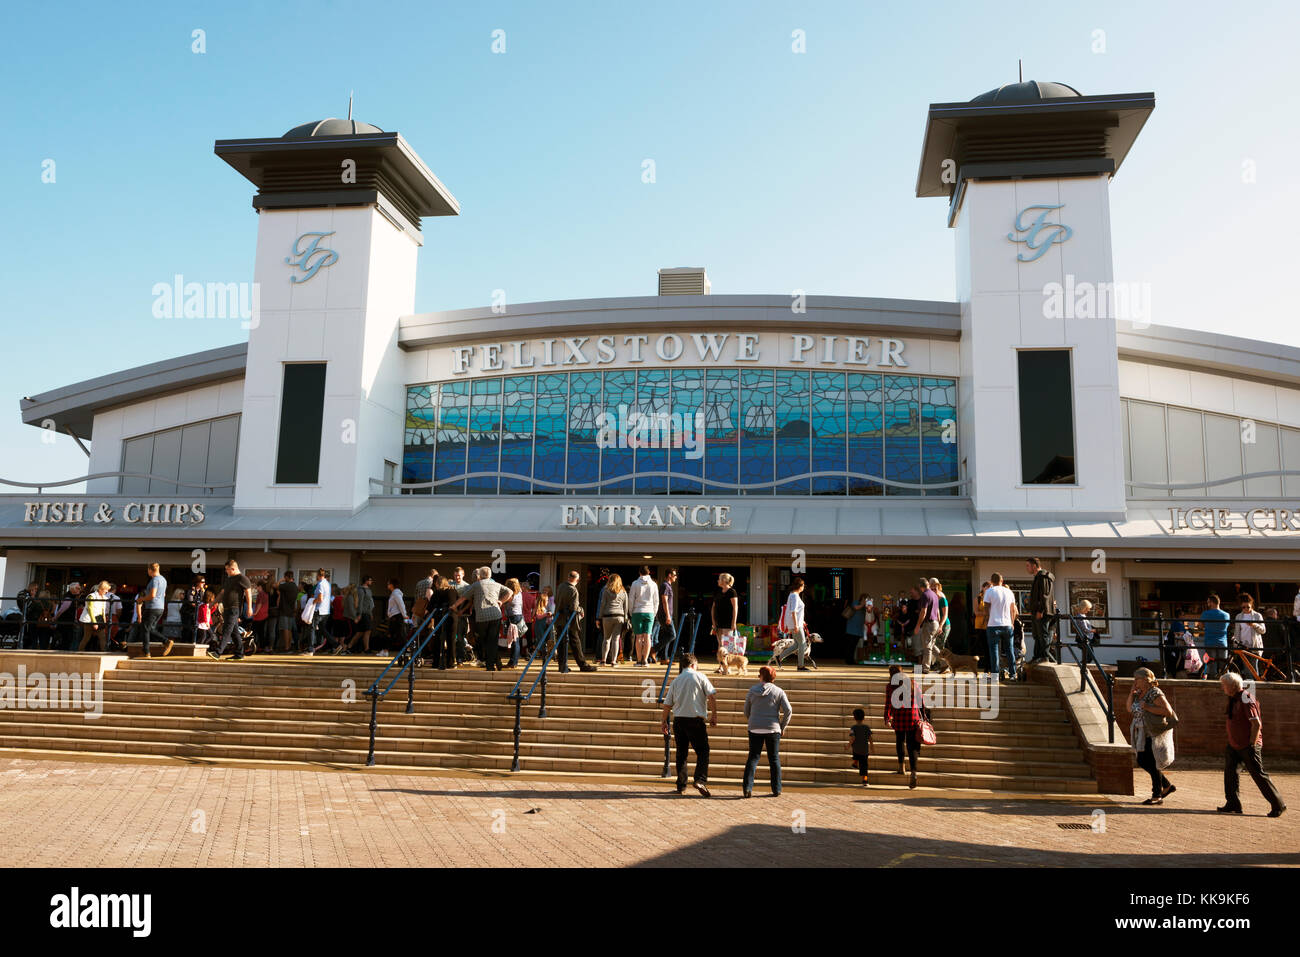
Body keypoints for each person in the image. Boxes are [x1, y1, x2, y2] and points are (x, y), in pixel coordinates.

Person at [1218, 671, 1286, 817]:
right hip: (1234, 744)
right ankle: (1233, 803)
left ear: (1232, 686)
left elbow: (1256, 724)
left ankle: (1278, 804)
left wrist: (1252, 745)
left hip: (1248, 745)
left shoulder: (1246, 698)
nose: (1222, 688)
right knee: (1230, 774)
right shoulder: (1233, 698)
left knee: (1259, 775)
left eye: (1223, 685)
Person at [660, 654, 717, 797]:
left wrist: (663, 721)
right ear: (693, 665)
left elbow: (667, 704)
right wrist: (714, 714)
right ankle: (700, 779)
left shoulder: (676, 680)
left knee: (681, 753)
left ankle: (681, 785)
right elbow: (711, 696)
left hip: (679, 720)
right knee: (703, 751)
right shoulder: (701, 677)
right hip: (695, 720)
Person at [1127, 666, 1177, 805]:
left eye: (1137, 679)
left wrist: (1147, 707)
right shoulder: (1139, 693)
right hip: (1141, 732)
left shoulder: (1155, 693)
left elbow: (1167, 711)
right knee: (1143, 761)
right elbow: (1129, 708)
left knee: (1149, 762)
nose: (1135, 681)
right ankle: (1166, 786)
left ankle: (1157, 795)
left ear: (1145, 679)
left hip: (1152, 732)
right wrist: (1132, 693)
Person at [742, 665, 791, 798]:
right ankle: (777, 789)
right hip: (773, 728)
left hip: (754, 727)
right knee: (774, 758)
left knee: (753, 757)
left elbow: (746, 709)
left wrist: (752, 719)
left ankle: (747, 787)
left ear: (762, 676)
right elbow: (788, 710)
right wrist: (782, 726)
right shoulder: (779, 691)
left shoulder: (752, 690)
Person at [453, 567, 506, 672]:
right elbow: (509, 592)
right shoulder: (495, 583)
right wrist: (501, 601)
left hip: (482, 616)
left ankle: (490, 664)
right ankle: (496, 661)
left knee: (485, 641)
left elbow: (464, 597)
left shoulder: (476, 585)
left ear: (480, 576)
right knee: (492, 640)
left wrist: (454, 606)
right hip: (495, 614)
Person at [885, 664, 924, 789]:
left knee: (900, 741)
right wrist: (923, 716)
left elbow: (888, 704)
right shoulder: (913, 684)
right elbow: (921, 701)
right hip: (912, 719)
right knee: (912, 746)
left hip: (899, 718)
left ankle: (901, 767)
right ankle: (914, 772)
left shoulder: (890, 687)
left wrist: (887, 717)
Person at [209, 560, 253, 660]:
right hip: (226, 609)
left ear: (233, 569)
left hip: (235, 608)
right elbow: (222, 593)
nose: (226, 572)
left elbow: (248, 593)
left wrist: (249, 607)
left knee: (226, 630)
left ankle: (218, 652)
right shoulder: (229, 579)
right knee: (234, 632)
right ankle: (239, 653)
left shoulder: (242, 578)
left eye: (227, 570)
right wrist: (213, 603)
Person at [555, 570, 596, 672]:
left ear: (568, 577)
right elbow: (574, 607)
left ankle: (562, 665)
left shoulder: (560, 587)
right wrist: (581, 610)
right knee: (575, 642)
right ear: (577, 580)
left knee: (561, 644)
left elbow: (557, 600)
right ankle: (582, 665)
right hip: (569, 621)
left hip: (559, 619)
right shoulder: (573, 590)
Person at [983, 574, 1017, 680]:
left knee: (994, 651)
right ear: (1002, 580)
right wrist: (1012, 623)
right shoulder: (1009, 592)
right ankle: (1013, 674)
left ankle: (995, 675)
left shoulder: (989, 591)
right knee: (1010, 650)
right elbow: (1013, 609)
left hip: (993, 624)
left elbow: (986, 608)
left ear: (991, 581)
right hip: (1007, 624)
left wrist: (986, 620)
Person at [135, 564, 173, 658]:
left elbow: (152, 595)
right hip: (160, 607)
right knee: (150, 628)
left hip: (152, 607)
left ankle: (147, 652)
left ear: (150, 570)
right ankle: (165, 642)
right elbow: (163, 594)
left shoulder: (155, 580)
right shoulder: (163, 580)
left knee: (145, 629)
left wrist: (141, 599)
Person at [1025, 558, 1057, 663]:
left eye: (1028, 566)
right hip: (1037, 611)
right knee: (1037, 635)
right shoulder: (1038, 577)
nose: (1027, 568)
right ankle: (1037, 656)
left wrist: (1040, 610)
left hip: (1043, 612)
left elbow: (1045, 595)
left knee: (1043, 634)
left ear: (1034, 566)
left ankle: (1044, 657)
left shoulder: (1043, 577)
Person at [628, 566, 660, 667]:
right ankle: (645, 660)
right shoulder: (653, 584)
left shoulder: (635, 583)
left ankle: (638, 660)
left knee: (638, 637)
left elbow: (631, 599)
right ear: (649, 572)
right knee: (648, 636)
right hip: (649, 611)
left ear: (639, 573)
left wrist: (631, 612)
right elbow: (656, 601)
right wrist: (654, 613)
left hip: (637, 611)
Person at [596, 573, 628, 666]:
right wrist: (625, 618)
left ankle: (603, 660)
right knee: (616, 639)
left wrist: (599, 617)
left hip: (607, 616)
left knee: (606, 638)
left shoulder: (606, 590)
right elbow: (626, 606)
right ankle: (614, 661)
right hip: (619, 616)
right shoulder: (623, 592)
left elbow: (602, 604)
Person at [1200, 594, 1232, 679]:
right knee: (1223, 666)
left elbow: (1201, 625)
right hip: (1222, 643)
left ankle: (1213, 683)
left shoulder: (1205, 614)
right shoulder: (1226, 615)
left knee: (1212, 666)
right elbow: (1227, 626)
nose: (1207, 604)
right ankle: (1226, 683)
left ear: (1211, 603)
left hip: (1210, 642)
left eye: (1208, 602)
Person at [914, 577, 941, 671]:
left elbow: (923, 612)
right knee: (932, 646)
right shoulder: (934, 595)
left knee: (927, 646)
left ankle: (925, 668)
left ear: (921, 587)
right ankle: (945, 662)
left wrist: (918, 625)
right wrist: (940, 624)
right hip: (936, 623)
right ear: (928, 585)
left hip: (929, 623)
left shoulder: (925, 595)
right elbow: (937, 611)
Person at [77, 581, 112, 652]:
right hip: (89, 620)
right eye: (106, 590)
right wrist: (94, 622)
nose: (107, 592)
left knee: (102, 637)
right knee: (87, 638)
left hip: (99, 619)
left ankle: (104, 652)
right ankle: (80, 651)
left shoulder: (104, 597)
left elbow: (103, 610)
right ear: (101, 589)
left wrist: (104, 621)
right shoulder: (91, 596)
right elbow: (90, 610)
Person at [711, 572, 739, 655]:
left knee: (727, 644)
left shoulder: (732, 592)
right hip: (718, 622)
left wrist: (733, 623)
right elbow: (713, 607)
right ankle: (721, 665)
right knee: (720, 644)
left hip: (728, 622)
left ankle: (726, 665)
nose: (718, 581)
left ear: (724, 580)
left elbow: (735, 607)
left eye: (719, 579)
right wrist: (713, 622)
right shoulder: (718, 592)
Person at [1231, 594, 1265, 661]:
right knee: (1246, 668)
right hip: (1243, 646)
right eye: (1244, 607)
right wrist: (1235, 646)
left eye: (1248, 607)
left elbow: (1263, 630)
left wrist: (1254, 625)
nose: (1246, 609)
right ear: (1241, 606)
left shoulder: (1257, 615)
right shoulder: (1238, 616)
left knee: (1254, 668)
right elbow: (1237, 632)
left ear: (1251, 605)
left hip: (1254, 646)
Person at [655, 568, 678, 664]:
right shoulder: (665, 586)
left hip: (666, 614)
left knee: (666, 635)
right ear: (669, 575)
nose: (676, 577)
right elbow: (664, 601)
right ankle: (654, 649)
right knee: (672, 635)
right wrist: (668, 615)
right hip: (665, 615)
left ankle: (664, 658)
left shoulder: (668, 586)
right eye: (674, 575)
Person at [501, 577, 524, 668]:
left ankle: (513, 662)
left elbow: (506, 603)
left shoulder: (511, 595)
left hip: (513, 617)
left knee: (514, 640)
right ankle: (514, 661)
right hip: (518, 616)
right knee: (516, 640)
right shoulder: (520, 593)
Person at [848, 707, 872, 786]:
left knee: (856, 754)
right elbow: (870, 738)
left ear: (854, 718)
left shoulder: (853, 728)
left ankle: (855, 763)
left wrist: (848, 745)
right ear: (864, 717)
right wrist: (872, 746)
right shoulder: (867, 727)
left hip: (856, 749)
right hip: (865, 750)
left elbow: (852, 738)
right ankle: (865, 780)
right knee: (864, 765)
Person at [276, 573, 299, 652]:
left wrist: (280, 581)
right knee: (289, 629)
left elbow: (276, 586)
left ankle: (286, 647)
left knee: (285, 629)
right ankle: (289, 646)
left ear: (286, 577)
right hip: (291, 611)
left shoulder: (286, 585)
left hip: (284, 610)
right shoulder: (295, 587)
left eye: (284, 577)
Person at [843, 594, 867, 664]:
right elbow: (855, 608)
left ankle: (851, 660)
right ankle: (849, 660)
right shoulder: (856, 602)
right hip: (851, 628)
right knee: (850, 645)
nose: (866, 600)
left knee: (853, 646)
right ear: (861, 598)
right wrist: (863, 604)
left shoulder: (865, 606)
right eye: (865, 599)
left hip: (858, 629)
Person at [930, 578, 951, 657]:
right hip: (935, 624)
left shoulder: (942, 599)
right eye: (931, 587)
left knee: (939, 646)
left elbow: (945, 615)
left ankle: (944, 666)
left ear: (938, 586)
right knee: (933, 646)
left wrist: (941, 626)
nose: (933, 588)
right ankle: (939, 665)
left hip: (944, 624)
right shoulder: (932, 598)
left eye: (935, 586)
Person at [385, 578, 407, 651]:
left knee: (398, 634)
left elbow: (401, 604)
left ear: (391, 585)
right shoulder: (394, 593)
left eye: (388, 583)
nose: (387, 585)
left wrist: (405, 615)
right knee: (394, 633)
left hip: (397, 616)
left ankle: (403, 649)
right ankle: (392, 649)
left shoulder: (396, 593)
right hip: (394, 616)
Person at [973, 580, 990, 665]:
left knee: (988, 646)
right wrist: (986, 613)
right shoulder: (978, 599)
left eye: (990, 588)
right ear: (983, 588)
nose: (988, 589)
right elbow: (976, 612)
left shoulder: (991, 598)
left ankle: (988, 664)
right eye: (987, 588)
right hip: (980, 626)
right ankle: (980, 664)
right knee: (981, 646)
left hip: (989, 625)